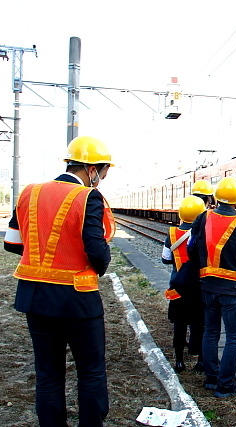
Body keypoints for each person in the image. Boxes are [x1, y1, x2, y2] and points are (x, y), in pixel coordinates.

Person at [4, 135, 115, 427]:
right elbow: (96, 248)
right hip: (78, 299)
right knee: (90, 371)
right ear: (91, 169)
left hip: (35, 297)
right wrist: (102, 262)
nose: (101, 179)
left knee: (48, 373)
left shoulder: (30, 192)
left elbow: (12, 243)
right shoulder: (87, 196)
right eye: (103, 173)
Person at [188, 176, 236, 398]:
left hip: (207, 286)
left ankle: (211, 378)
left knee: (210, 332)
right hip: (232, 289)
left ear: (216, 198)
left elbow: (192, 249)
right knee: (234, 336)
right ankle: (225, 384)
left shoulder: (202, 218)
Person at [162, 195, 206, 373]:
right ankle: (201, 361)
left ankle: (179, 362)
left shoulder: (171, 234)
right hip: (199, 287)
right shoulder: (203, 234)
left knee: (179, 325)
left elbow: (165, 259)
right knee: (201, 324)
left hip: (178, 286)